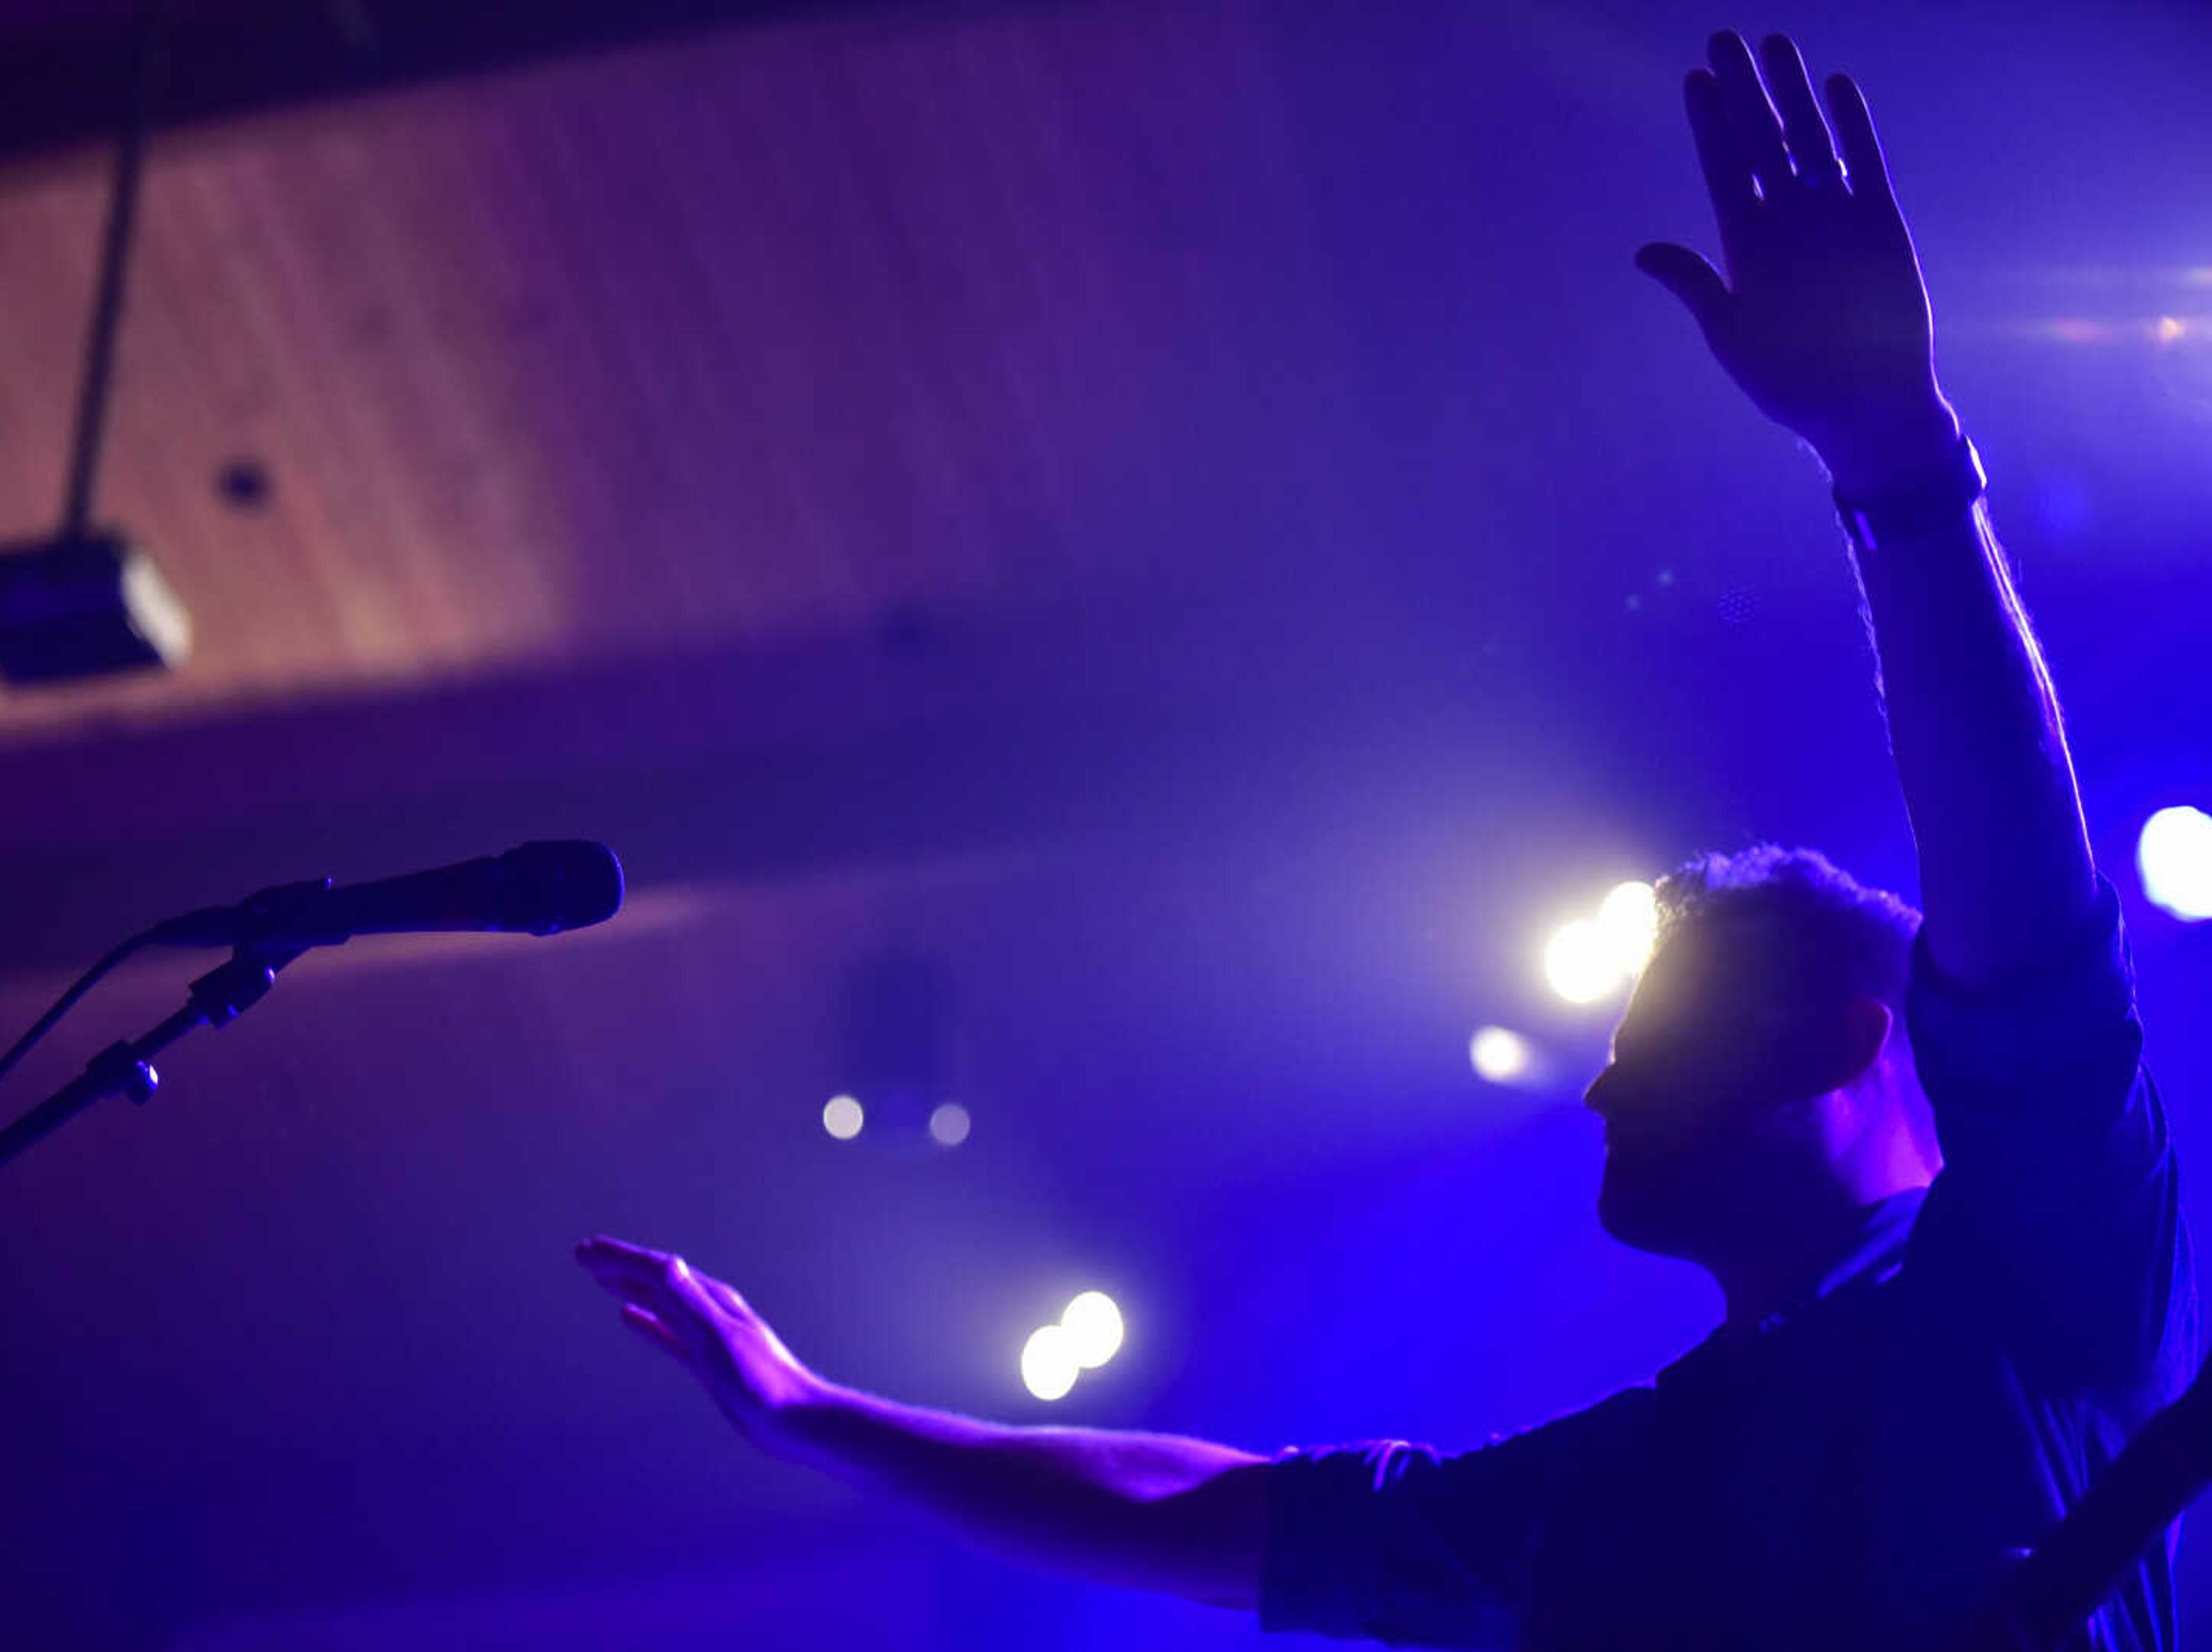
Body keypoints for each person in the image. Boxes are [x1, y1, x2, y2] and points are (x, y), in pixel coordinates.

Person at [576, 30, 2197, 1649]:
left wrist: (1898, 460)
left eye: (1676, 1043)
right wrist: (806, 1411)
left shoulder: (2032, 1279)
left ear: (1857, 1042)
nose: (1608, 1087)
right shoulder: (1627, 1482)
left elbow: (2028, 913)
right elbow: (1201, 1512)